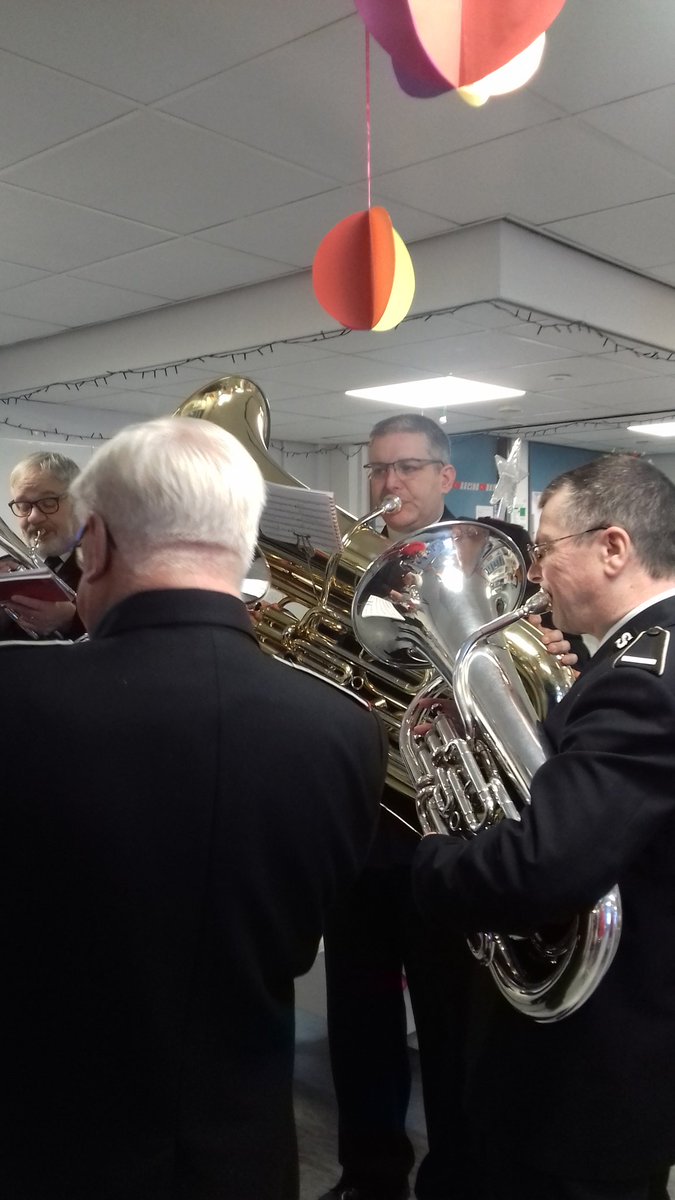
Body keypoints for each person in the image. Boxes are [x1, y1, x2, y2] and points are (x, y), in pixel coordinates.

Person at [0, 416, 388, 1200]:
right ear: (243, 544)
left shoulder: (14, 697)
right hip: (243, 1156)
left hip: (46, 1146)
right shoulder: (347, 730)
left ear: (97, 542)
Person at [412, 453, 675, 1200]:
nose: (531, 574)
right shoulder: (636, 663)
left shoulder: (640, 680)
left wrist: (435, 861)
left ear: (612, 548)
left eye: (545, 548)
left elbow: (543, 864)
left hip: (594, 1065)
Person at [321, 413, 547, 1200]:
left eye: (407, 468)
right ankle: (369, 1175)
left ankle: (457, 1178)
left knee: (455, 1026)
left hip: (452, 837)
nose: (389, 485)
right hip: (366, 834)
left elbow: (521, 683)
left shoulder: (495, 562)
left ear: (445, 478)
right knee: (361, 1022)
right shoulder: (344, 563)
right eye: (378, 469)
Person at [0, 449, 84, 639]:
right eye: (23, 505)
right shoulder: (5, 566)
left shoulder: (114, 568)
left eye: (48, 502)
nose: (34, 517)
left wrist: (72, 620)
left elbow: (135, 638)